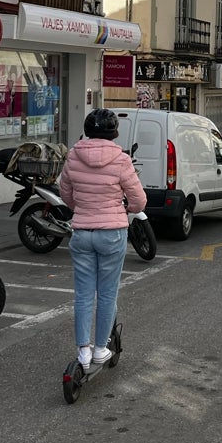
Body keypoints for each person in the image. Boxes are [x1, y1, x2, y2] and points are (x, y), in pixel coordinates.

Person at [59, 108, 147, 369]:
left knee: (84, 294)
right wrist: (127, 210)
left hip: (83, 232)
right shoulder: (121, 160)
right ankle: (100, 350)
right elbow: (139, 199)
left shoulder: (73, 156)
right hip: (111, 234)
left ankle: (83, 352)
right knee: (107, 294)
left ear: (87, 130)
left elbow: (65, 193)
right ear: (114, 133)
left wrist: (81, 209)